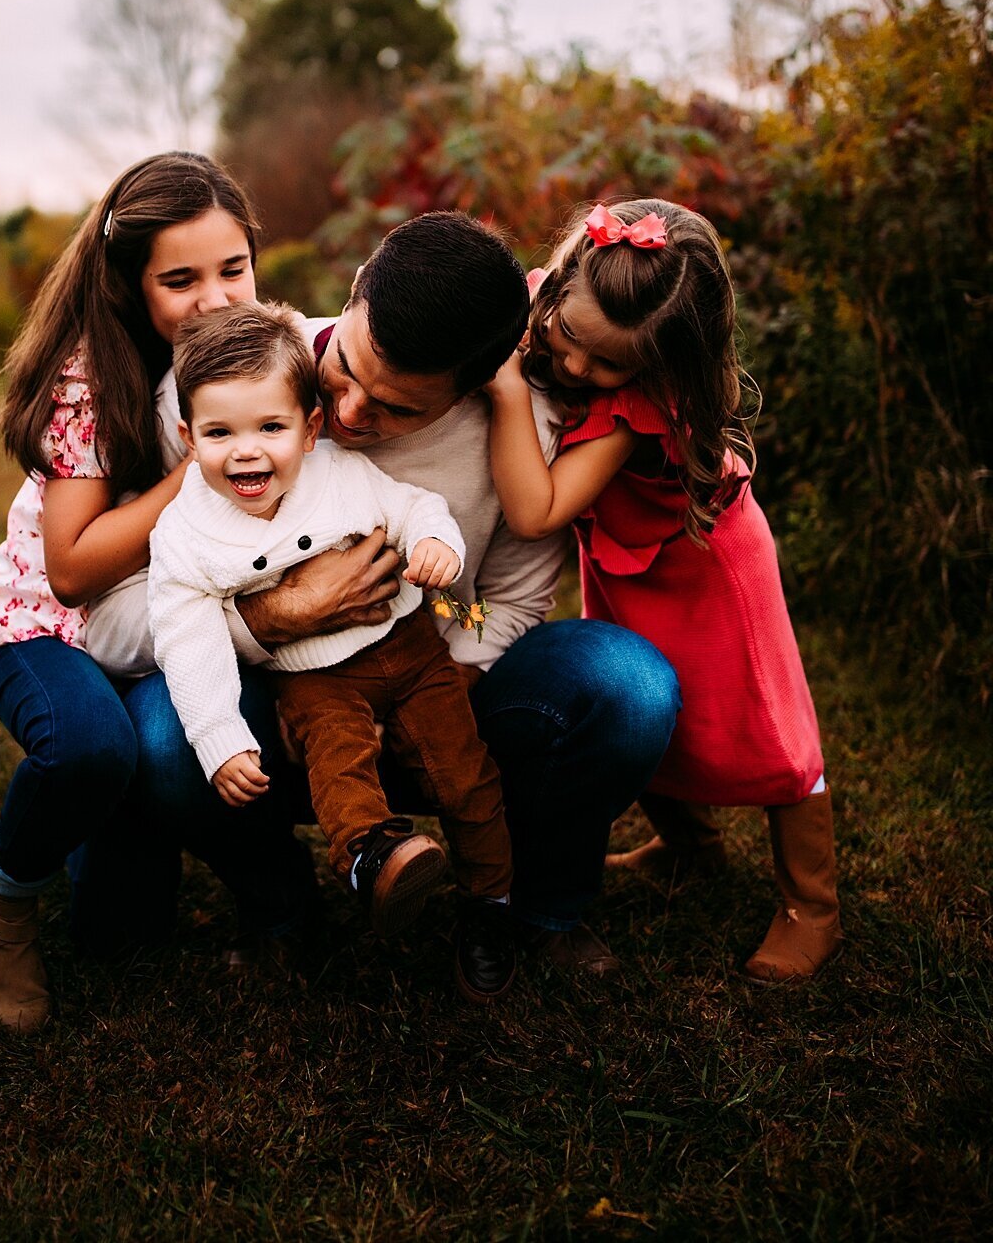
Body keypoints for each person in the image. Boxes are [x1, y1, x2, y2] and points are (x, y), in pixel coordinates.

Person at [87, 209, 682, 972]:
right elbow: (112, 621)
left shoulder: (520, 427)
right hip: (285, 704)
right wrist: (277, 617)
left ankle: (534, 911)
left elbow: (509, 602)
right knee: (166, 733)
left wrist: (436, 684)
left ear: (474, 385)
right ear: (358, 288)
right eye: (351, 371)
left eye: (401, 407)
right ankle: (281, 911)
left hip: (438, 671)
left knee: (628, 686)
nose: (349, 413)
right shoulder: (235, 387)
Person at [0, 152, 316, 1032]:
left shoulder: (259, 351)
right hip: (50, 628)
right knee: (91, 752)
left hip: (160, 624)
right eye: (181, 280)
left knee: (124, 930)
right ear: (132, 286)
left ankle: (256, 877)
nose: (216, 298)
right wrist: (200, 472)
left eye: (233, 268)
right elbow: (75, 568)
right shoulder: (91, 374)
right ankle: (2, 901)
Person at [484, 198, 842, 982]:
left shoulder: (634, 404)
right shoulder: (555, 302)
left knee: (760, 718)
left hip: (707, 563)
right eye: (568, 338)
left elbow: (535, 510)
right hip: (625, 557)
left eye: (606, 362)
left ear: (663, 361)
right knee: (653, 706)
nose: (576, 366)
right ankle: (690, 846)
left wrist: (510, 391)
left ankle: (811, 905)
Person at [135, 300, 515, 1003]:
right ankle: (376, 859)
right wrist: (219, 735)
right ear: (188, 437)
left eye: (270, 428)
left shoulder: (342, 473)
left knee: (463, 772)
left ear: (310, 429)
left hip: (412, 651)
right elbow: (186, 638)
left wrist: (437, 545)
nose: (246, 451)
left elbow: (414, 507)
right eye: (220, 432)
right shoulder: (183, 533)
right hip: (313, 680)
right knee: (337, 768)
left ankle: (490, 900)